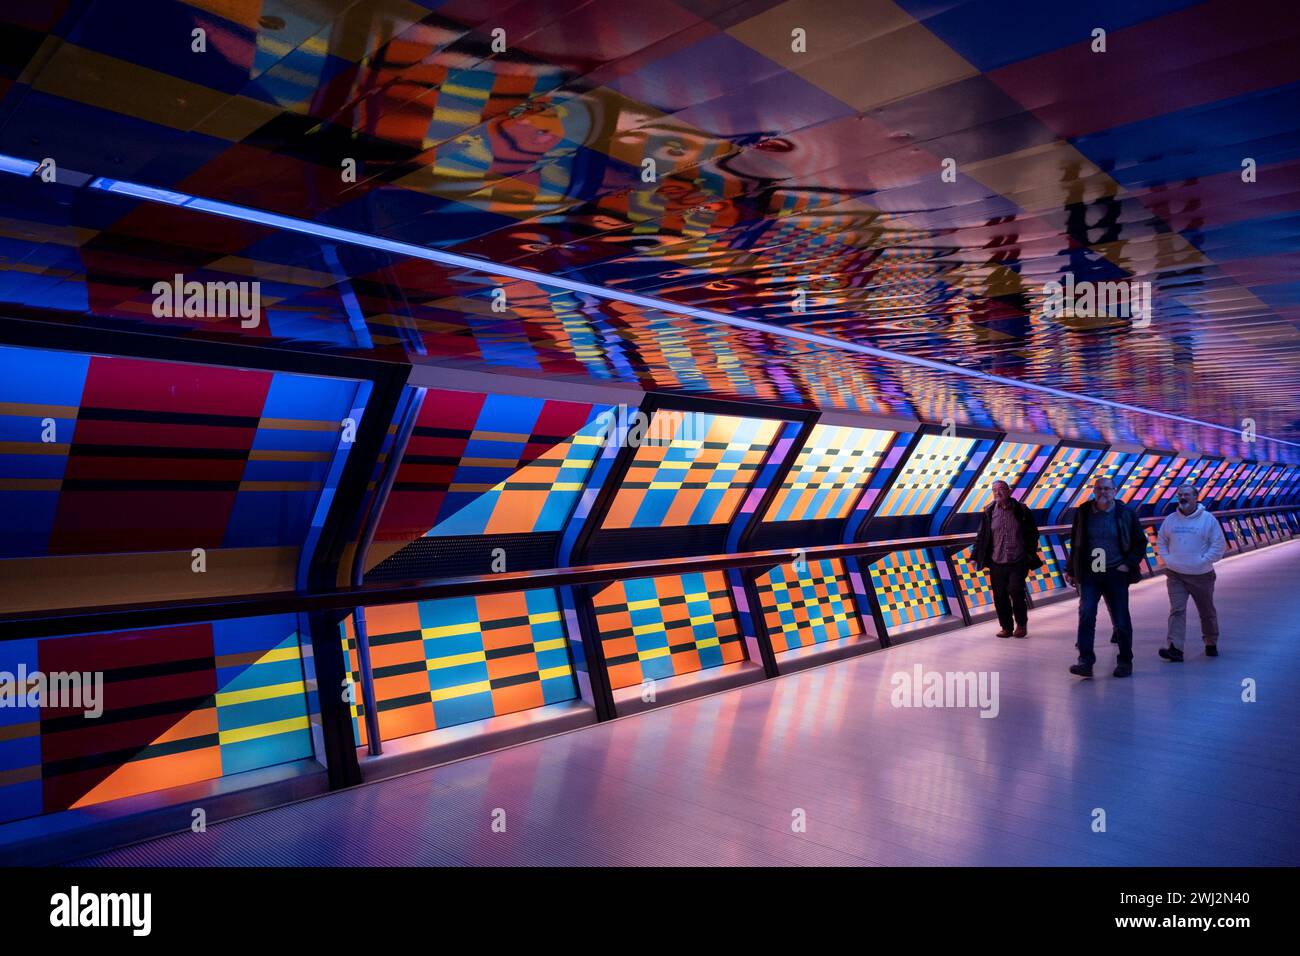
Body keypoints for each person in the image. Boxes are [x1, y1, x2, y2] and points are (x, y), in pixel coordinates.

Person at [1064, 476, 1147, 678]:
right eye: (1099, 489)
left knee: (1120, 619)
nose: (1103, 493)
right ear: (1093, 490)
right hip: (1091, 572)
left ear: (1115, 491)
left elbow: (1140, 542)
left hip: (1115, 572)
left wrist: (1127, 565)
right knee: (1086, 615)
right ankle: (1085, 661)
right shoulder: (1083, 512)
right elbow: (1076, 541)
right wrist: (1071, 569)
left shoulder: (1125, 513)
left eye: (1107, 489)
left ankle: (1125, 661)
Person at [1156, 482, 1226, 661]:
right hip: (1175, 574)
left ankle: (1211, 642)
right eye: (1180, 494)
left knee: (1206, 610)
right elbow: (1161, 541)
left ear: (1196, 498)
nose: (1183, 497)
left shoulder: (1208, 519)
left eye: (1187, 494)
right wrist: (1168, 559)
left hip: (1201, 575)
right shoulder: (1170, 520)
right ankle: (1175, 648)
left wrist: (1204, 561)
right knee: (1177, 610)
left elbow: (1218, 544)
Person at [973, 480, 1042, 638]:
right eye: (994, 490)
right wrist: (974, 556)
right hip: (997, 561)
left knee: (1016, 590)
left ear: (1009, 491)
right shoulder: (989, 511)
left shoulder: (1021, 510)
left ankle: (1021, 625)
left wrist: (1029, 553)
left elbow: (1033, 533)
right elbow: (981, 536)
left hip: (1018, 559)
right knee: (999, 595)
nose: (997, 493)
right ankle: (1006, 627)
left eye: (1001, 490)